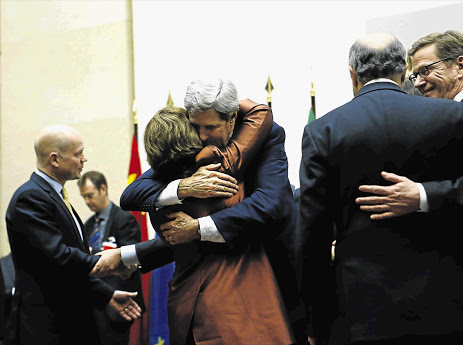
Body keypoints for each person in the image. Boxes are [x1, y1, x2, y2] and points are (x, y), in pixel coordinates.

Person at [299, 33, 463, 345]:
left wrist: (316, 323)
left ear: (352, 74)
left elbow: (312, 235)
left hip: (361, 311)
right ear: (402, 71)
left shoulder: (322, 131)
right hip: (444, 306)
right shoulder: (448, 114)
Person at [92, 82, 303, 345]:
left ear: (233, 118)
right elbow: (132, 194)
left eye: (210, 127)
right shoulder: (185, 165)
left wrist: (197, 228)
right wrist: (183, 187)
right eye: (196, 127)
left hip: (274, 285)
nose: (202, 136)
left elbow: (271, 205)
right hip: (217, 308)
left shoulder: (262, 138)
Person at [4, 125, 141, 345]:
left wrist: (106, 296)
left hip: (70, 320)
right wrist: (105, 263)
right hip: (48, 326)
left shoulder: (54, 196)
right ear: (54, 160)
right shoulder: (30, 197)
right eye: (78, 154)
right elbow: (58, 257)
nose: (84, 159)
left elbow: (67, 269)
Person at [78, 171, 146, 345]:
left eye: (90, 195)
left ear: (103, 189)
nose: (87, 201)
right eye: (84, 197)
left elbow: (130, 260)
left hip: (120, 302)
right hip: (96, 303)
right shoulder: (88, 225)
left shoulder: (124, 219)